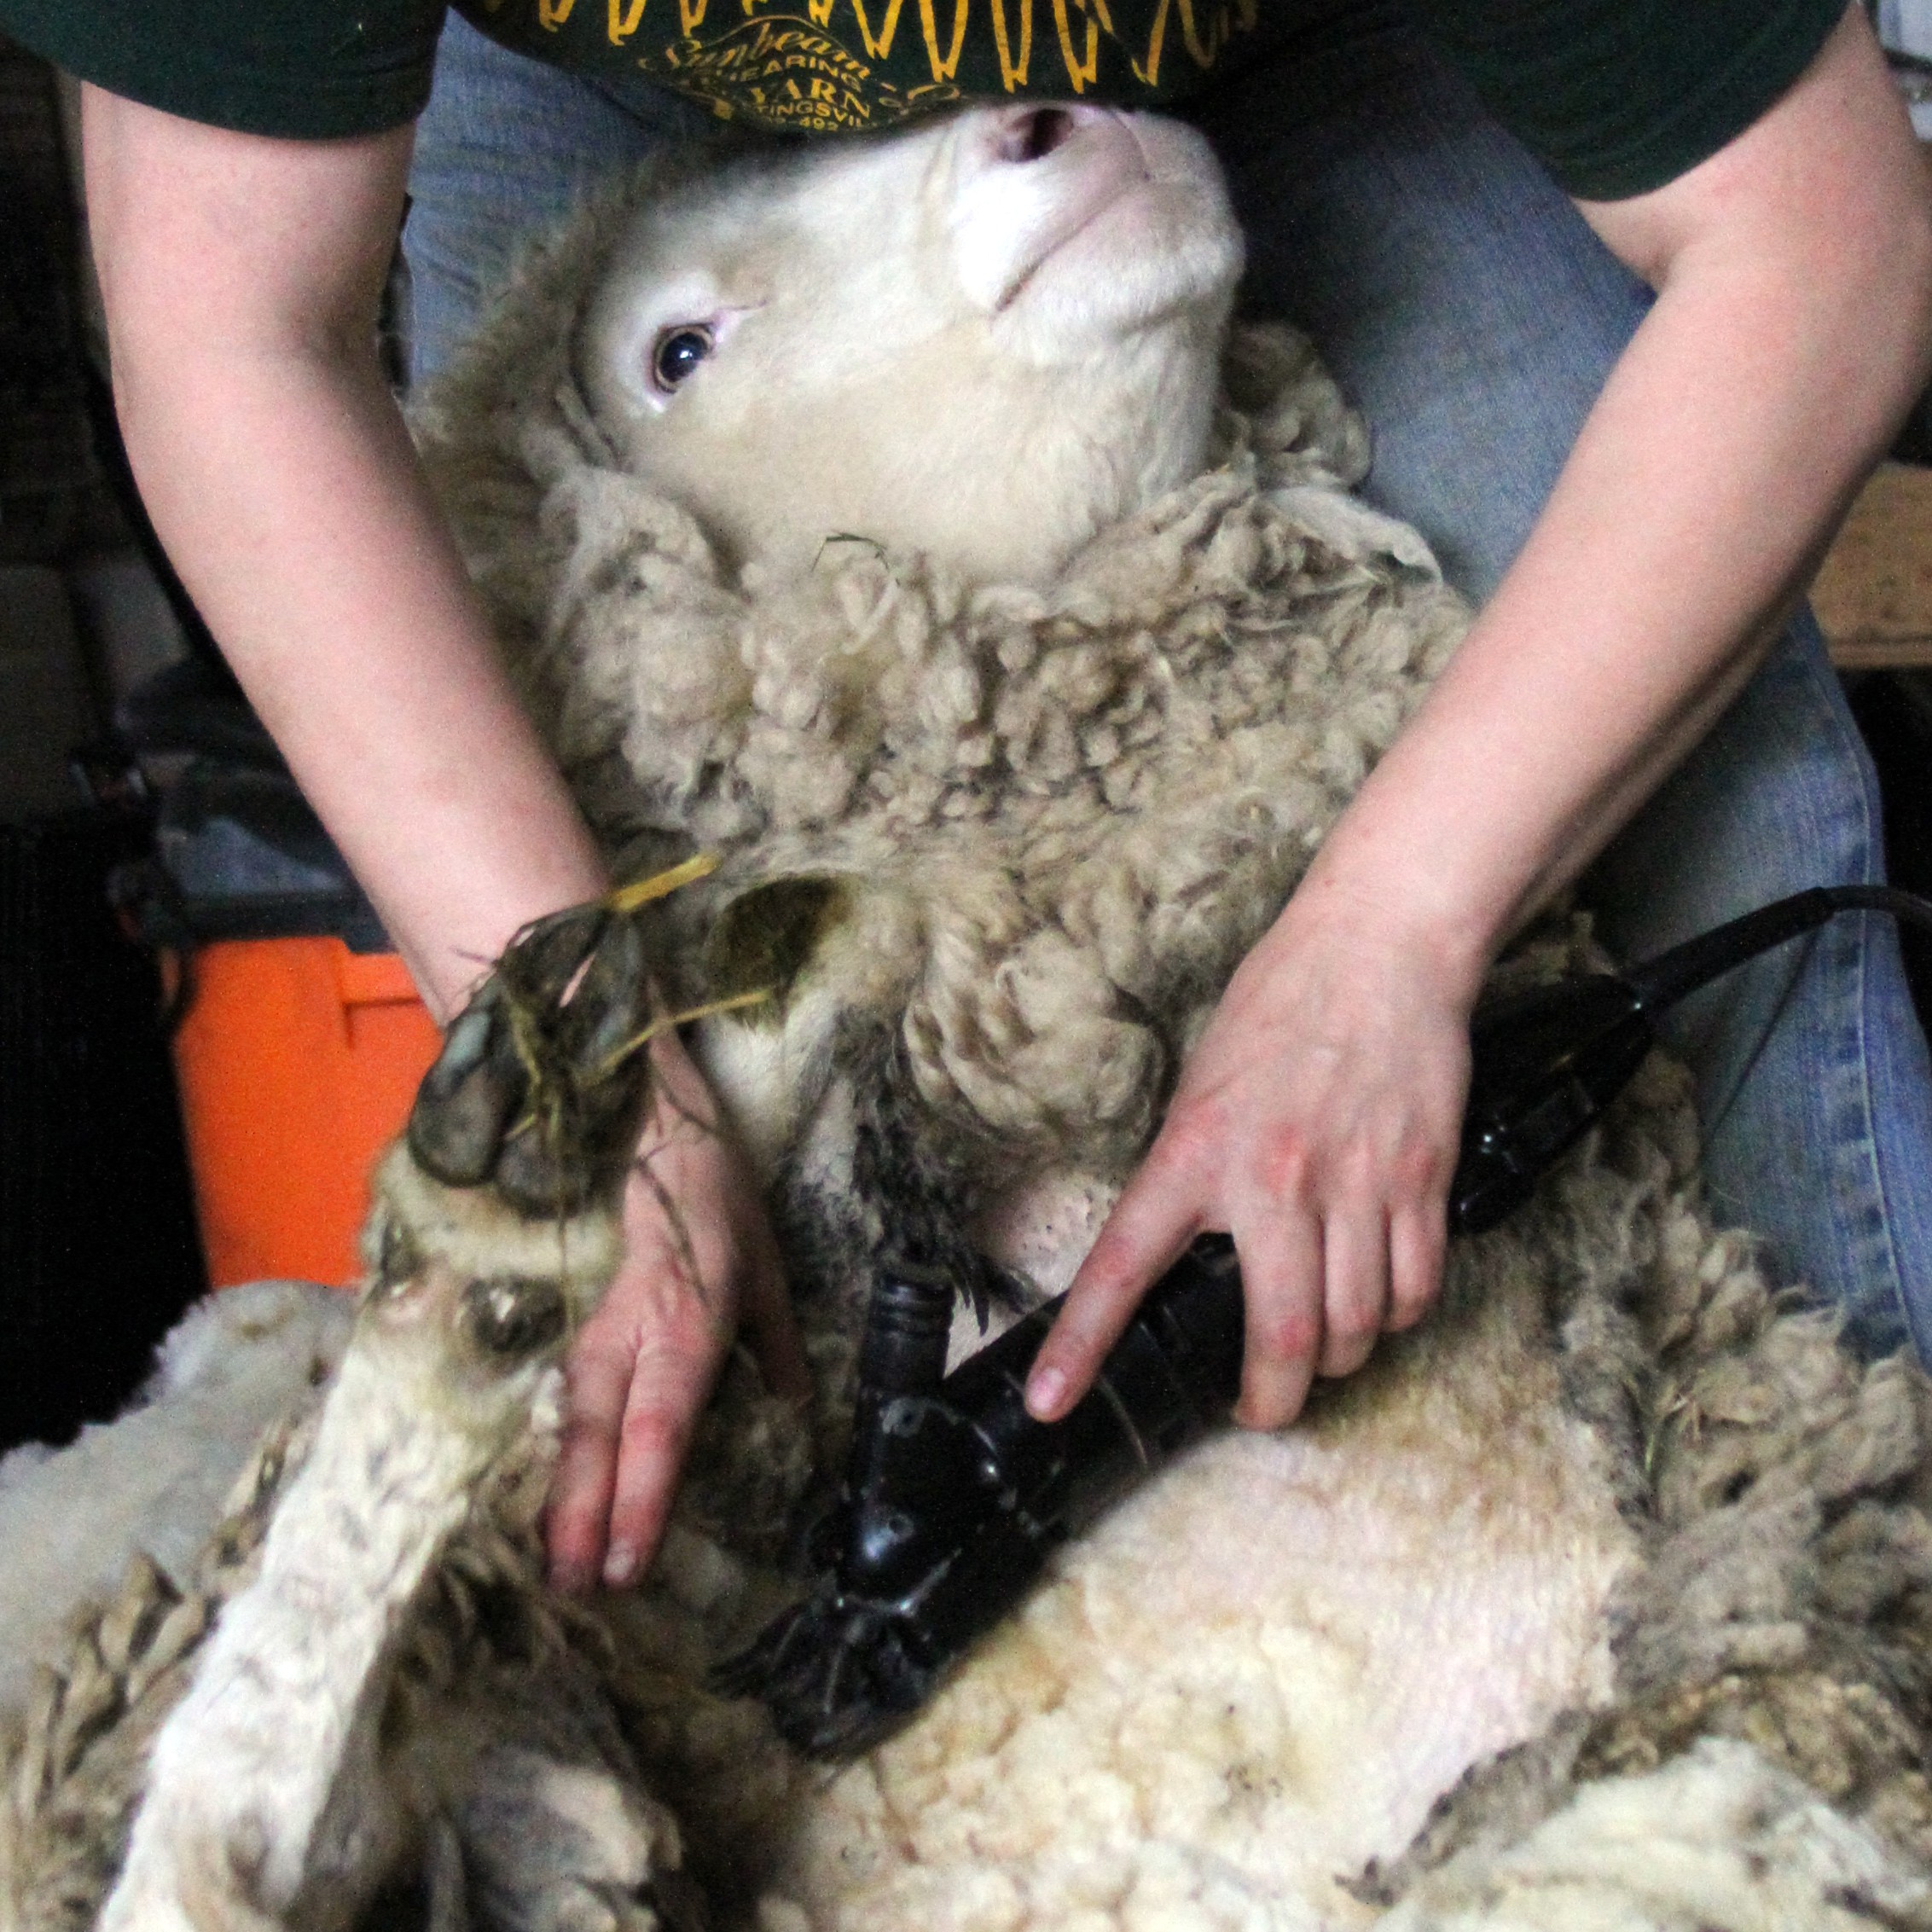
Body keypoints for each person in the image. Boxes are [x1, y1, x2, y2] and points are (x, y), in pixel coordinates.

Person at [4, 0, 1929, 1593]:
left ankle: (1851, 1632)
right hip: (614, 103)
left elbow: (1819, 235)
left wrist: (1392, 929)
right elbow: (228, 324)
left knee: (1708, 832)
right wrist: (583, 1027)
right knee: (632, 991)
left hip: (1310, 37)